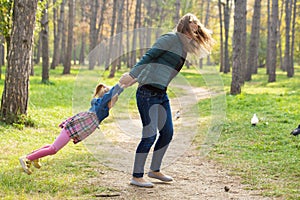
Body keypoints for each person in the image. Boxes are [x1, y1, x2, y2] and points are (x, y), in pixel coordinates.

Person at [119, 13, 214, 187]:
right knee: (150, 135)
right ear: (185, 25)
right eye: (193, 23)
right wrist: (132, 74)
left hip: (161, 94)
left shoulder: (184, 45)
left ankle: (154, 170)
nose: (196, 26)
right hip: (147, 92)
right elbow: (149, 56)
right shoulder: (170, 38)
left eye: (197, 25)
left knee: (167, 133)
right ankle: (136, 176)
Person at [19, 82, 124, 175]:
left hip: (73, 129)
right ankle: (27, 159)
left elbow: (110, 96)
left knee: (52, 146)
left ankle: (34, 155)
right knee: (53, 149)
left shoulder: (99, 104)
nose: (114, 104)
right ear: (108, 100)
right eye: (114, 101)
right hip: (72, 129)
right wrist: (120, 85)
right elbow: (110, 95)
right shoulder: (101, 106)